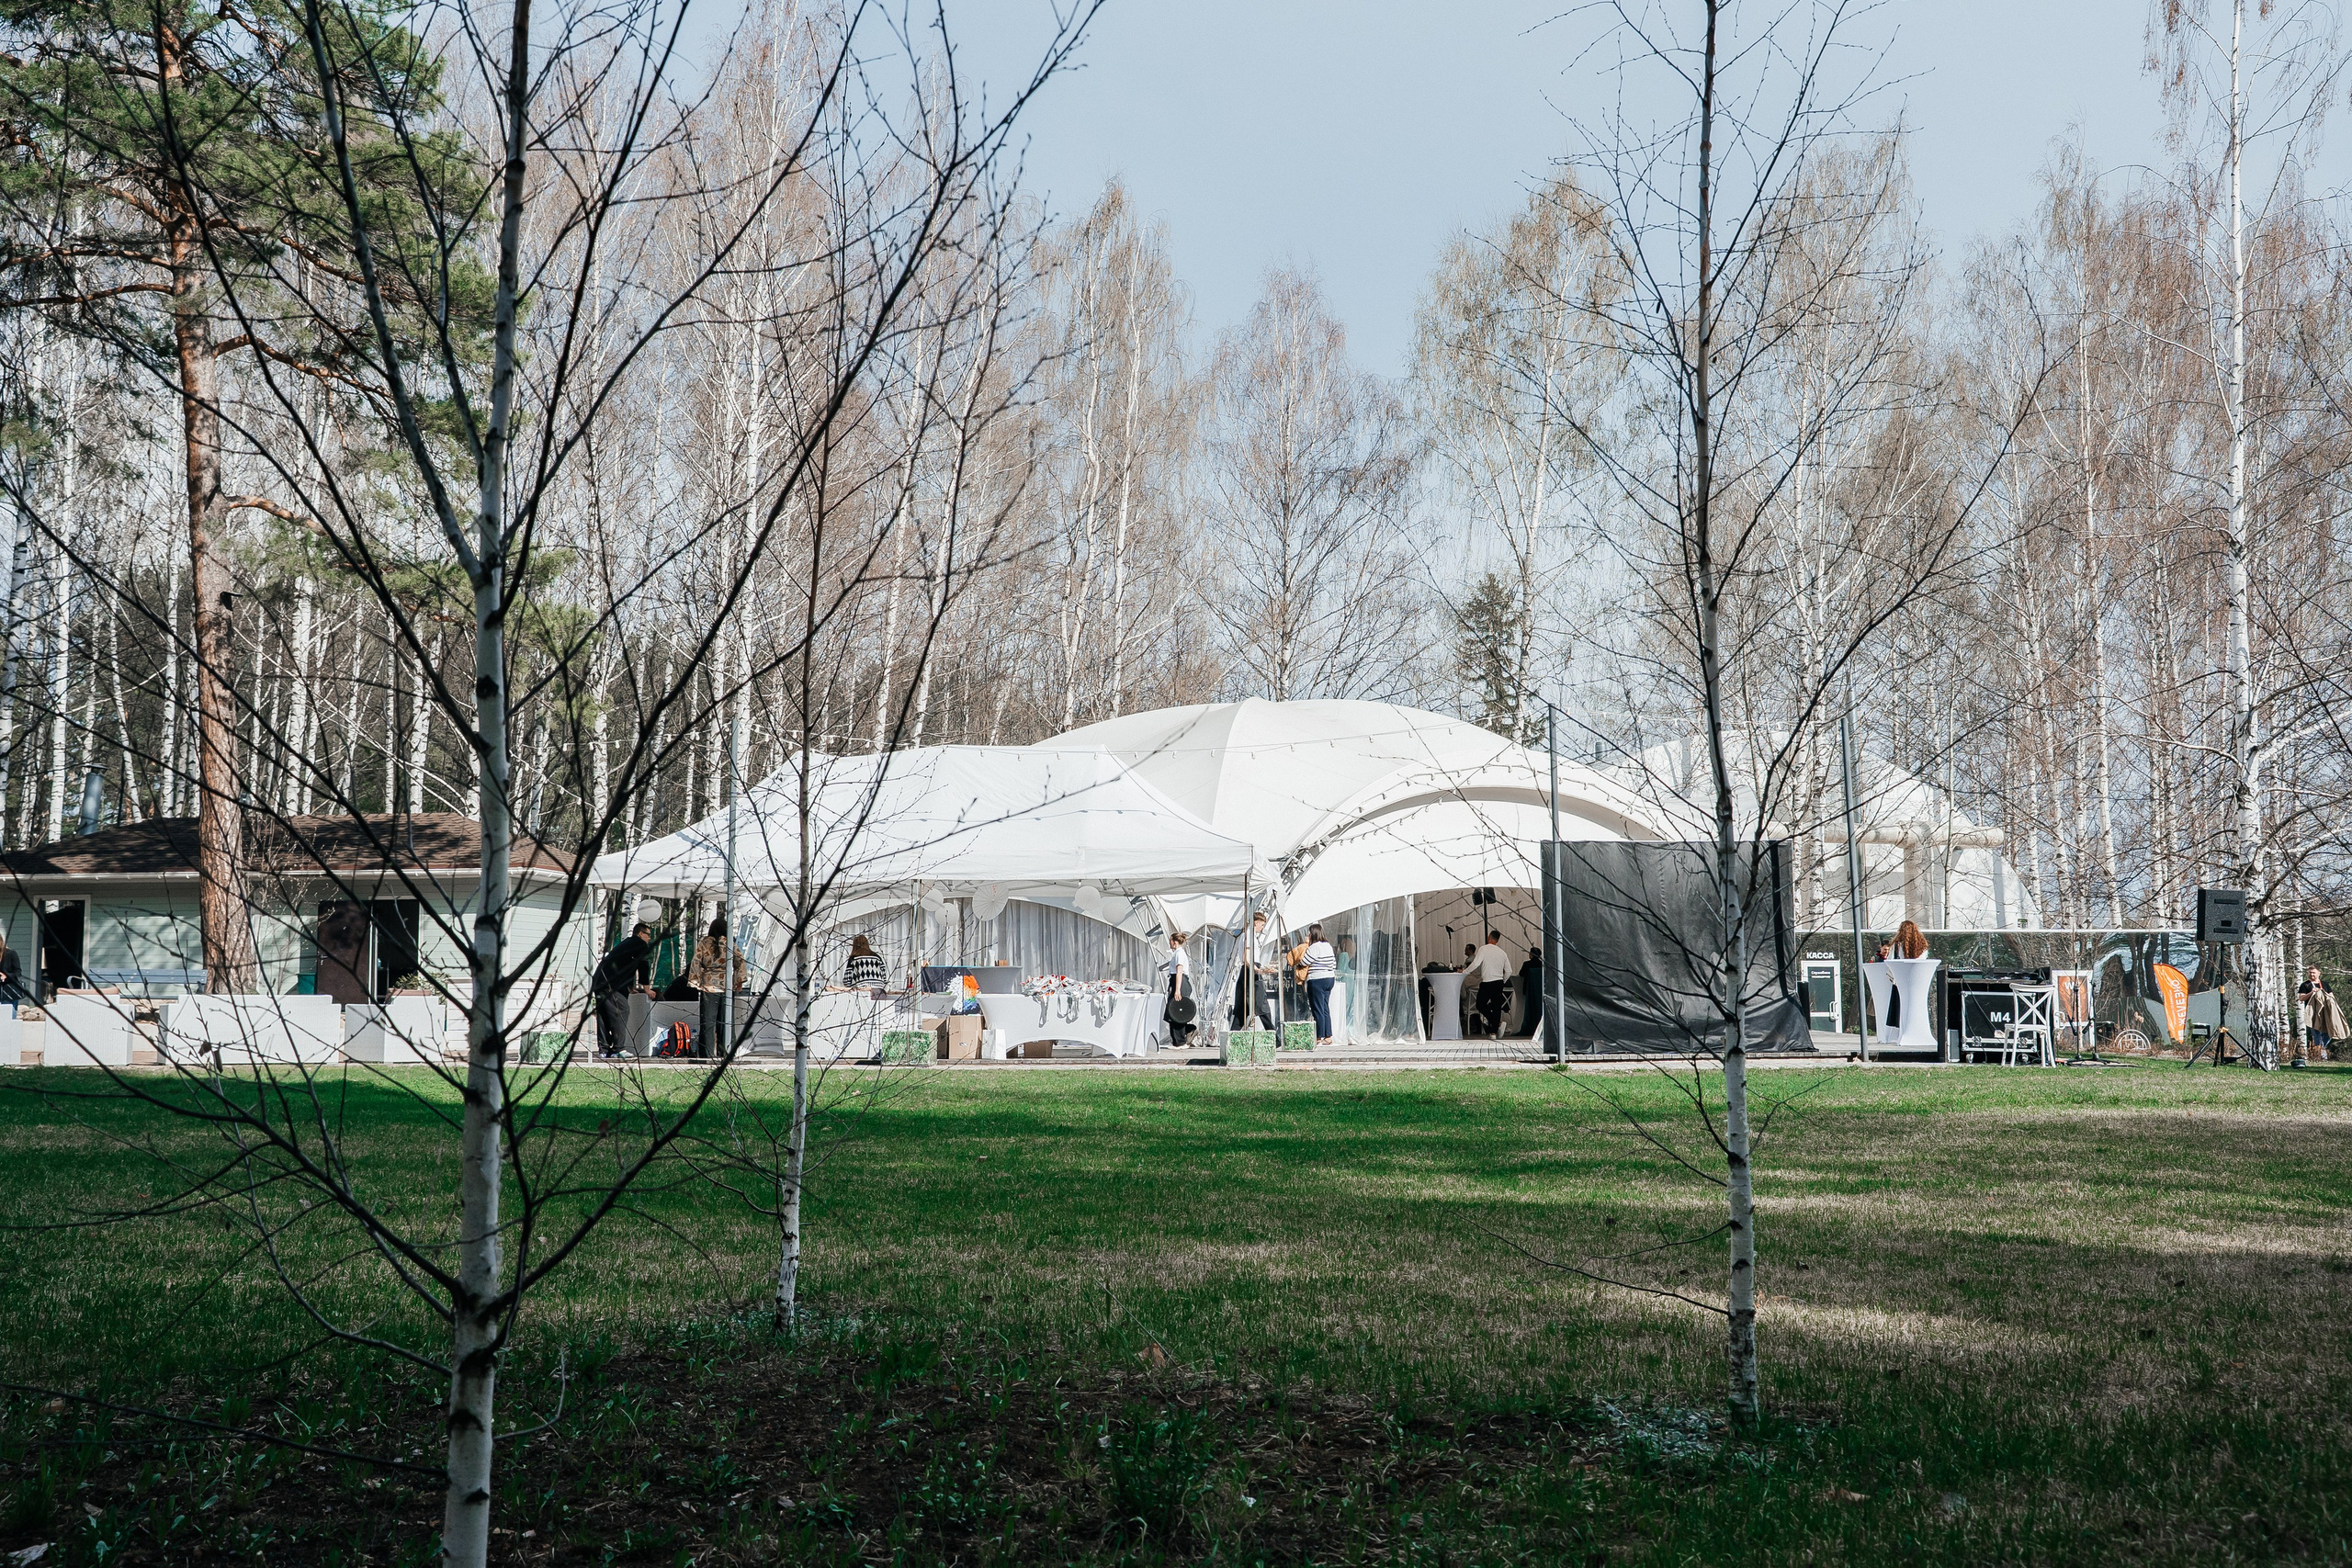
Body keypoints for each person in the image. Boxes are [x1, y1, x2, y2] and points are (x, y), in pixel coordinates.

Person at [591, 921, 657, 1060]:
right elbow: (643, 966)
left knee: (604, 1014)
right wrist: (647, 989)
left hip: (599, 980)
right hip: (610, 984)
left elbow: (626, 966)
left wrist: (630, 988)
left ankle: (604, 1049)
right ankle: (618, 1049)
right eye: (648, 935)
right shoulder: (640, 944)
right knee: (622, 1011)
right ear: (641, 934)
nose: (649, 938)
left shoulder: (627, 943)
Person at [688, 915, 750, 1060]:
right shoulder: (729, 943)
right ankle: (727, 1051)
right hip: (726, 985)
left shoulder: (704, 944)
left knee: (708, 1022)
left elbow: (696, 962)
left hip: (708, 986)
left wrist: (695, 981)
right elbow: (740, 961)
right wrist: (738, 981)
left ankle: (707, 1053)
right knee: (726, 1021)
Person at [1234, 910, 1278, 1032]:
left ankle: (1233, 1033)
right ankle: (1272, 1033)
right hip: (1250, 971)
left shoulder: (1250, 936)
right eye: (1262, 925)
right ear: (1256, 923)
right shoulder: (1249, 936)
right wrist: (1258, 970)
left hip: (1250, 970)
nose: (1262, 928)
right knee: (1260, 1002)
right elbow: (1247, 958)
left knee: (1244, 1007)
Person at [1464, 929, 1510, 1038]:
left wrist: (1465, 972)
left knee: (1480, 1005)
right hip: (1498, 982)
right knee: (1496, 1007)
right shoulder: (1502, 953)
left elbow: (1475, 963)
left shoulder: (1483, 949)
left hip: (1487, 981)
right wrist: (1502, 980)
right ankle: (1494, 1031)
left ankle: (1497, 1024)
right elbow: (1509, 971)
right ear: (1497, 940)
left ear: (1488, 937)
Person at [2298, 967, 2345, 1067]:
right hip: (2313, 1014)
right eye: (2310, 973)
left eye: (2314, 973)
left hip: (2326, 1013)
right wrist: (2311, 993)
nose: (2312, 975)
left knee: (2330, 1031)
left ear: (2319, 973)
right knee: (2316, 1034)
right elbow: (2301, 998)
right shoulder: (2305, 985)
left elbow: (2332, 998)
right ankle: (2319, 1055)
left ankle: (2321, 1049)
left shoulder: (2325, 984)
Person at [1303, 923, 1338, 1046]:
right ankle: (1328, 1036)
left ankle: (1318, 1036)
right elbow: (1334, 964)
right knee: (1325, 1007)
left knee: (1317, 1008)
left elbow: (1304, 961)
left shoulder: (1314, 947)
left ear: (1312, 934)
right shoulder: (1328, 946)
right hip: (1329, 978)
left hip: (1317, 979)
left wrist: (1306, 945)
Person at [1163, 930, 1196, 1046]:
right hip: (1177, 981)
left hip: (1180, 982)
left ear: (1174, 942)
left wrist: (1177, 990)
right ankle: (1185, 1032)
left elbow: (1179, 971)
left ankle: (1180, 1041)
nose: (1170, 943)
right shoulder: (1177, 953)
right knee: (1173, 1011)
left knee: (1176, 1012)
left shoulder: (1179, 954)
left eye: (1170, 941)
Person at [1517, 943, 1544, 1040]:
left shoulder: (1527, 964)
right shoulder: (1542, 964)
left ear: (1531, 955)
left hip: (1529, 990)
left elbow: (1521, 974)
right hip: (1540, 990)